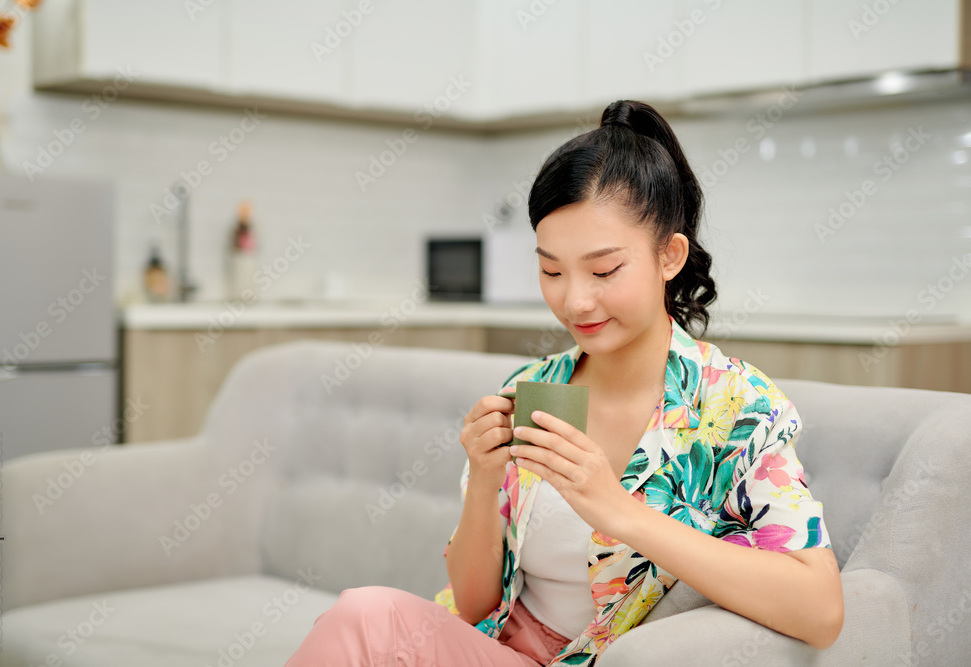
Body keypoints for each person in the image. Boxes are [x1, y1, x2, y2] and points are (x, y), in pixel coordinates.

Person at [284, 99, 844, 666]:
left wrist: (618, 510)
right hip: (496, 650)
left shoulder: (734, 406)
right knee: (363, 617)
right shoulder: (536, 387)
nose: (574, 300)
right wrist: (483, 480)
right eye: (551, 270)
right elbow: (477, 603)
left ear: (670, 255)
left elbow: (820, 610)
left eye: (604, 271)